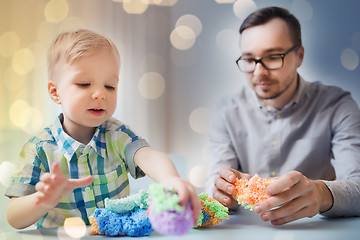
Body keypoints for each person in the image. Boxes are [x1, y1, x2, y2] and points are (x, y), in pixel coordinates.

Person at [5, 29, 200, 229]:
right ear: (55, 92)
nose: (100, 94)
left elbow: (148, 156)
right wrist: (42, 200)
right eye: (84, 84)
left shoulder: (118, 135)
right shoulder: (38, 149)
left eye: (110, 86)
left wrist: (170, 179)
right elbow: (14, 218)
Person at [207, 6, 360, 225]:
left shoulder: (338, 106)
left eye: (272, 57)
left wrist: (321, 193)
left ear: (299, 56)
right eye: (249, 60)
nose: (259, 72)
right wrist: (222, 190)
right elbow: (214, 183)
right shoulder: (226, 110)